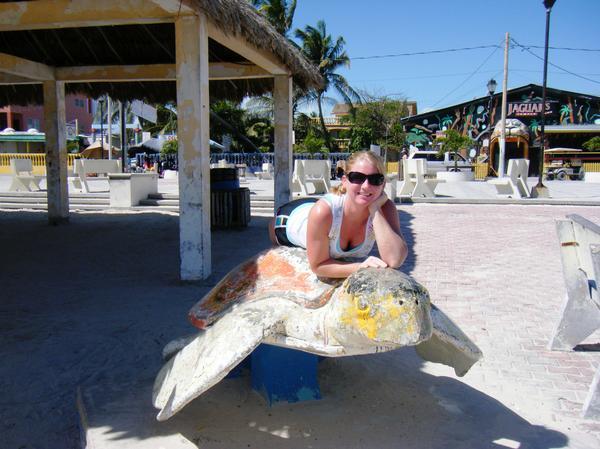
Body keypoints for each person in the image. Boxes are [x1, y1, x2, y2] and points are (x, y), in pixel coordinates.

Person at [269, 151, 407, 278]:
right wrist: (360, 267)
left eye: (375, 179)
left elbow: (394, 260)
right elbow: (318, 266)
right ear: (344, 181)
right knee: (320, 211)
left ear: (383, 184)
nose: (366, 186)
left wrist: (375, 208)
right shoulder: (323, 212)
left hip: (323, 208)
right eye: (357, 177)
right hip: (287, 220)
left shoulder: (385, 208)